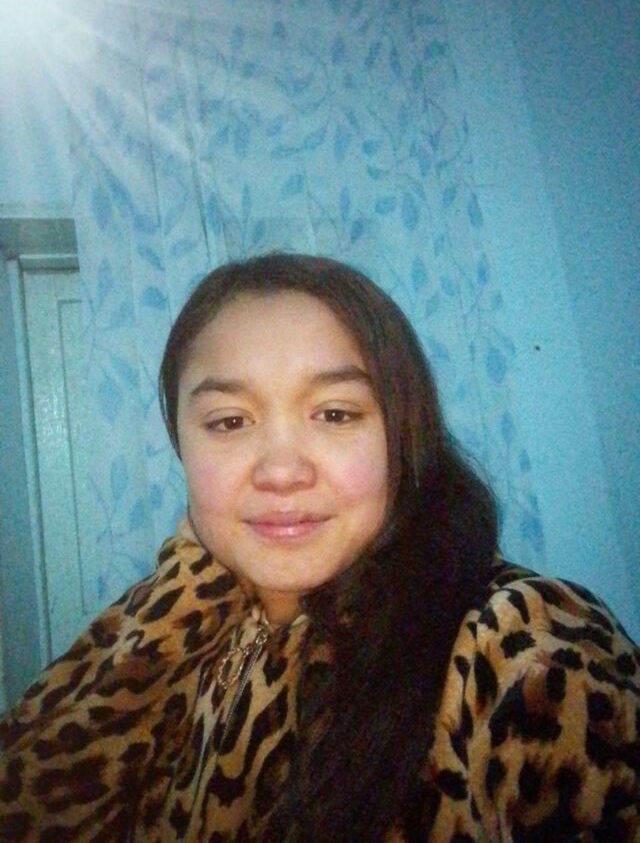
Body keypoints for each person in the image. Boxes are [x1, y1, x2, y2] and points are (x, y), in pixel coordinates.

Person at [0, 253, 638, 842]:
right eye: (229, 421)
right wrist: (182, 589)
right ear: (182, 446)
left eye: (335, 414)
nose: (281, 471)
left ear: (403, 431)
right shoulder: (194, 629)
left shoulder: (520, 646)